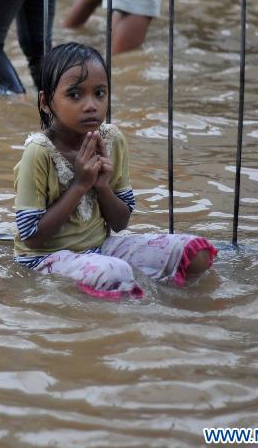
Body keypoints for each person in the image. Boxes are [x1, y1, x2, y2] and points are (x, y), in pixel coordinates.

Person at [13, 43, 217, 298]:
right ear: (45, 103)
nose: (91, 105)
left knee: (193, 254)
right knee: (116, 273)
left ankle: (173, 309)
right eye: (75, 95)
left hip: (100, 248)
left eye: (99, 93)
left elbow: (120, 223)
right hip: (44, 258)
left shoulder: (111, 140)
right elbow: (31, 238)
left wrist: (101, 186)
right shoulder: (39, 151)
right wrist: (79, 185)